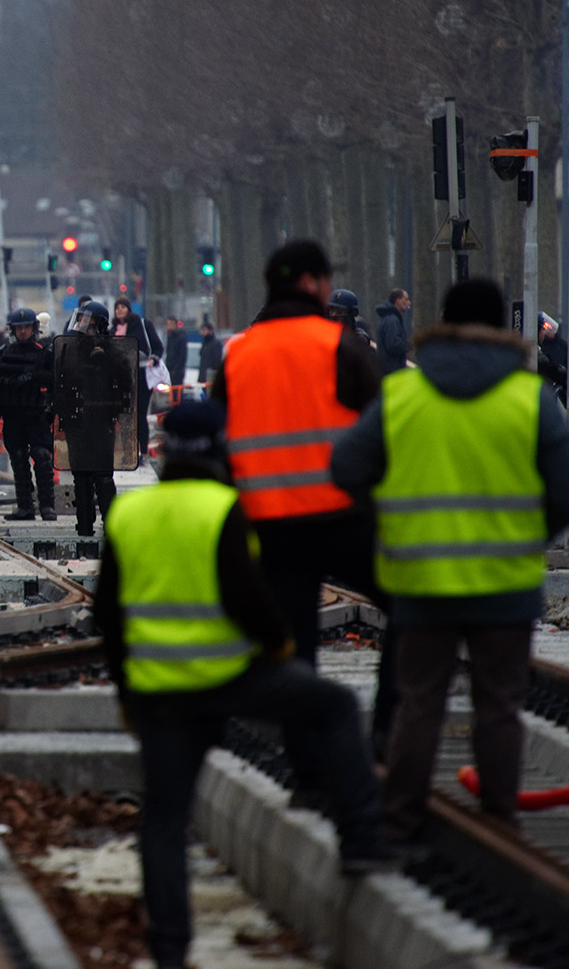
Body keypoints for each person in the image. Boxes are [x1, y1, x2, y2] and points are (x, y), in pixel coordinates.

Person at [96, 400, 393, 969]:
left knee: (162, 818)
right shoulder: (225, 507)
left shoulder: (128, 514)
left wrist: (128, 694)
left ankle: (169, 951)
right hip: (233, 678)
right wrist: (280, 645)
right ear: (218, 448)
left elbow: (107, 617)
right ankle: (361, 840)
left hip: (159, 692)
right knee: (333, 705)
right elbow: (245, 595)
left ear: (161, 450)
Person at [330, 279, 569, 846]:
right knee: (499, 706)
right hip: (506, 584)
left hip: (420, 582)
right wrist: (526, 536)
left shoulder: (403, 396)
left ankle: (399, 822)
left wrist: (389, 525)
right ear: (503, 328)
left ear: (442, 323)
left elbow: (346, 467)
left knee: (419, 703)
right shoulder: (529, 398)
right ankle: (500, 822)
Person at [209, 239, 395, 773]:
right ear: (314, 283)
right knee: (413, 603)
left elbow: (218, 445)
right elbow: (383, 428)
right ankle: (386, 731)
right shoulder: (341, 345)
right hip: (342, 519)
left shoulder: (238, 354)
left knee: (295, 652)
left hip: (270, 528)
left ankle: (308, 772)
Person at [61, 301, 129, 536]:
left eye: (87, 322)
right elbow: (62, 382)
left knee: (102, 473)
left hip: (101, 421)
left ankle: (112, 524)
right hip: (77, 421)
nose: (81, 326)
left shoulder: (112, 352)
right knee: (80, 473)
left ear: (99, 325)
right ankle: (84, 524)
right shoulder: (70, 350)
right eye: (80, 320)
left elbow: (125, 386)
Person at [0, 307, 57, 520]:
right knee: (18, 459)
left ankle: (47, 506)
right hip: (12, 416)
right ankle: (25, 507)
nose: (23, 332)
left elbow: (56, 382)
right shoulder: (3, 355)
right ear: (13, 330)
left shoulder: (45, 353)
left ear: (34, 328)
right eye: (19, 328)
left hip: (36, 414)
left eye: (26, 328)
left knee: (42, 458)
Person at [111, 296, 162, 464]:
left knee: (139, 415)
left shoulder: (142, 325)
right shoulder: (112, 330)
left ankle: (144, 452)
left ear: (129, 309)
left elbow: (157, 346)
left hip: (141, 376)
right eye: (117, 307)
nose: (119, 310)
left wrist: (153, 359)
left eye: (123, 307)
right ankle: (128, 452)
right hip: (121, 378)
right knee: (125, 416)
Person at [375, 288, 412, 374]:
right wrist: (409, 345)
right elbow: (393, 345)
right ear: (398, 301)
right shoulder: (392, 320)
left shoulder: (388, 318)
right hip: (392, 371)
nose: (409, 303)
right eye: (406, 299)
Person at [537, 312, 569, 406]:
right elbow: (551, 368)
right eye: (542, 329)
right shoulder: (538, 354)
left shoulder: (559, 345)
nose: (544, 333)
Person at [163, 316, 188, 387]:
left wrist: (176, 370)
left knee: (176, 392)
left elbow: (182, 355)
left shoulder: (180, 337)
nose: (169, 327)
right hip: (169, 370)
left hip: (177, 372)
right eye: (168, 324)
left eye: (171, 324)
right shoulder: (169, 337)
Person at [196, 322, 223, 386]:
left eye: (204, 330)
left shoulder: (215, 344)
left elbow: (217, 361)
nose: (202, 332)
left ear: (210, 331)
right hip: (203, 377)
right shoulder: (204, 343)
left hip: (210, 376)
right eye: (201, 330)